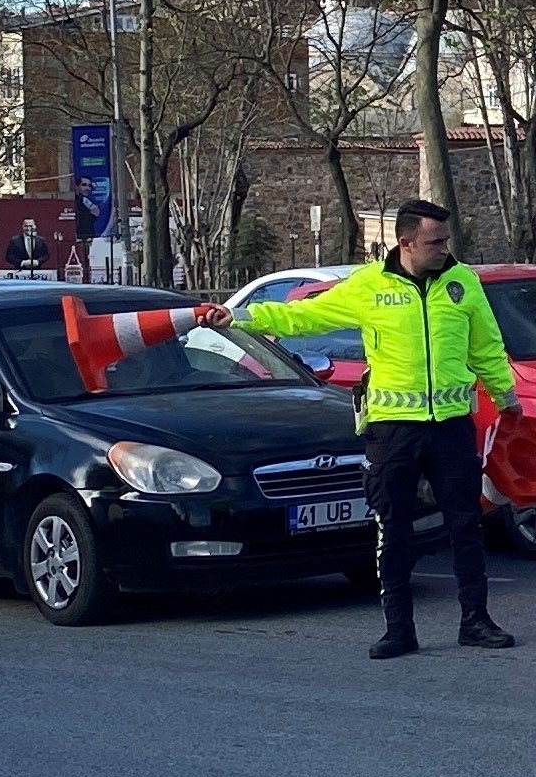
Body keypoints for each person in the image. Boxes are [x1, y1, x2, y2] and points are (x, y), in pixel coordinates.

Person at [207, 200, 519, 661]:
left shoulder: (462, 283)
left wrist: (508, 399)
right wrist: (243, 318)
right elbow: (305, 317)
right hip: (393, 431)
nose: (444, 249)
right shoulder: (369, 285)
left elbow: (487, 347)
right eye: (435, 242)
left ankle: (475, 620)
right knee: (391, 527)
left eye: (446, 240)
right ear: (406, 242)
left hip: (452, 426)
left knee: (465, 525)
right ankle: (399, 628)